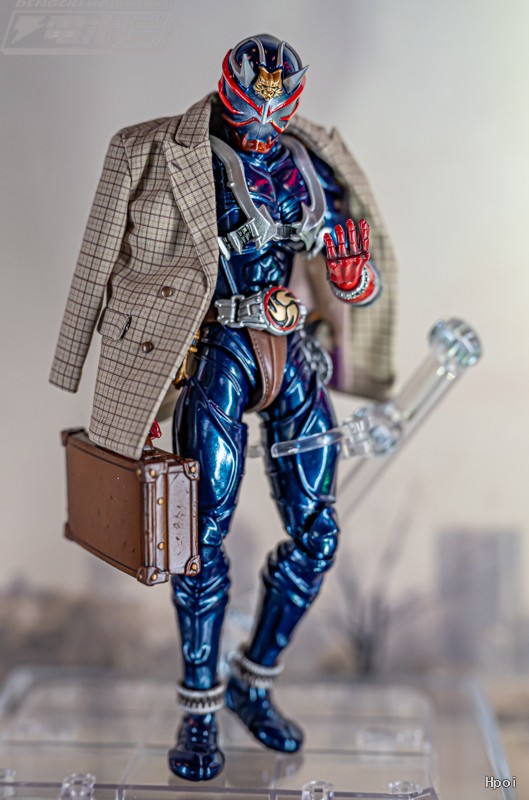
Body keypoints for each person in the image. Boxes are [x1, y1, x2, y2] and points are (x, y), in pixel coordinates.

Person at [50, 33, 397, 781]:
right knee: (196, 539)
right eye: (251, 103)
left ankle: (253, 681)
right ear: (229, 89)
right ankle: (199, 708)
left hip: (292, 350)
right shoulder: (162, 152)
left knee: (318, 536)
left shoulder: (310, 162)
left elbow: (356, 278)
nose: (264, 119)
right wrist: (93, 374)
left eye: (278, 105)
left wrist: (352, 276)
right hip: (217, 348)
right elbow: (100, 263)